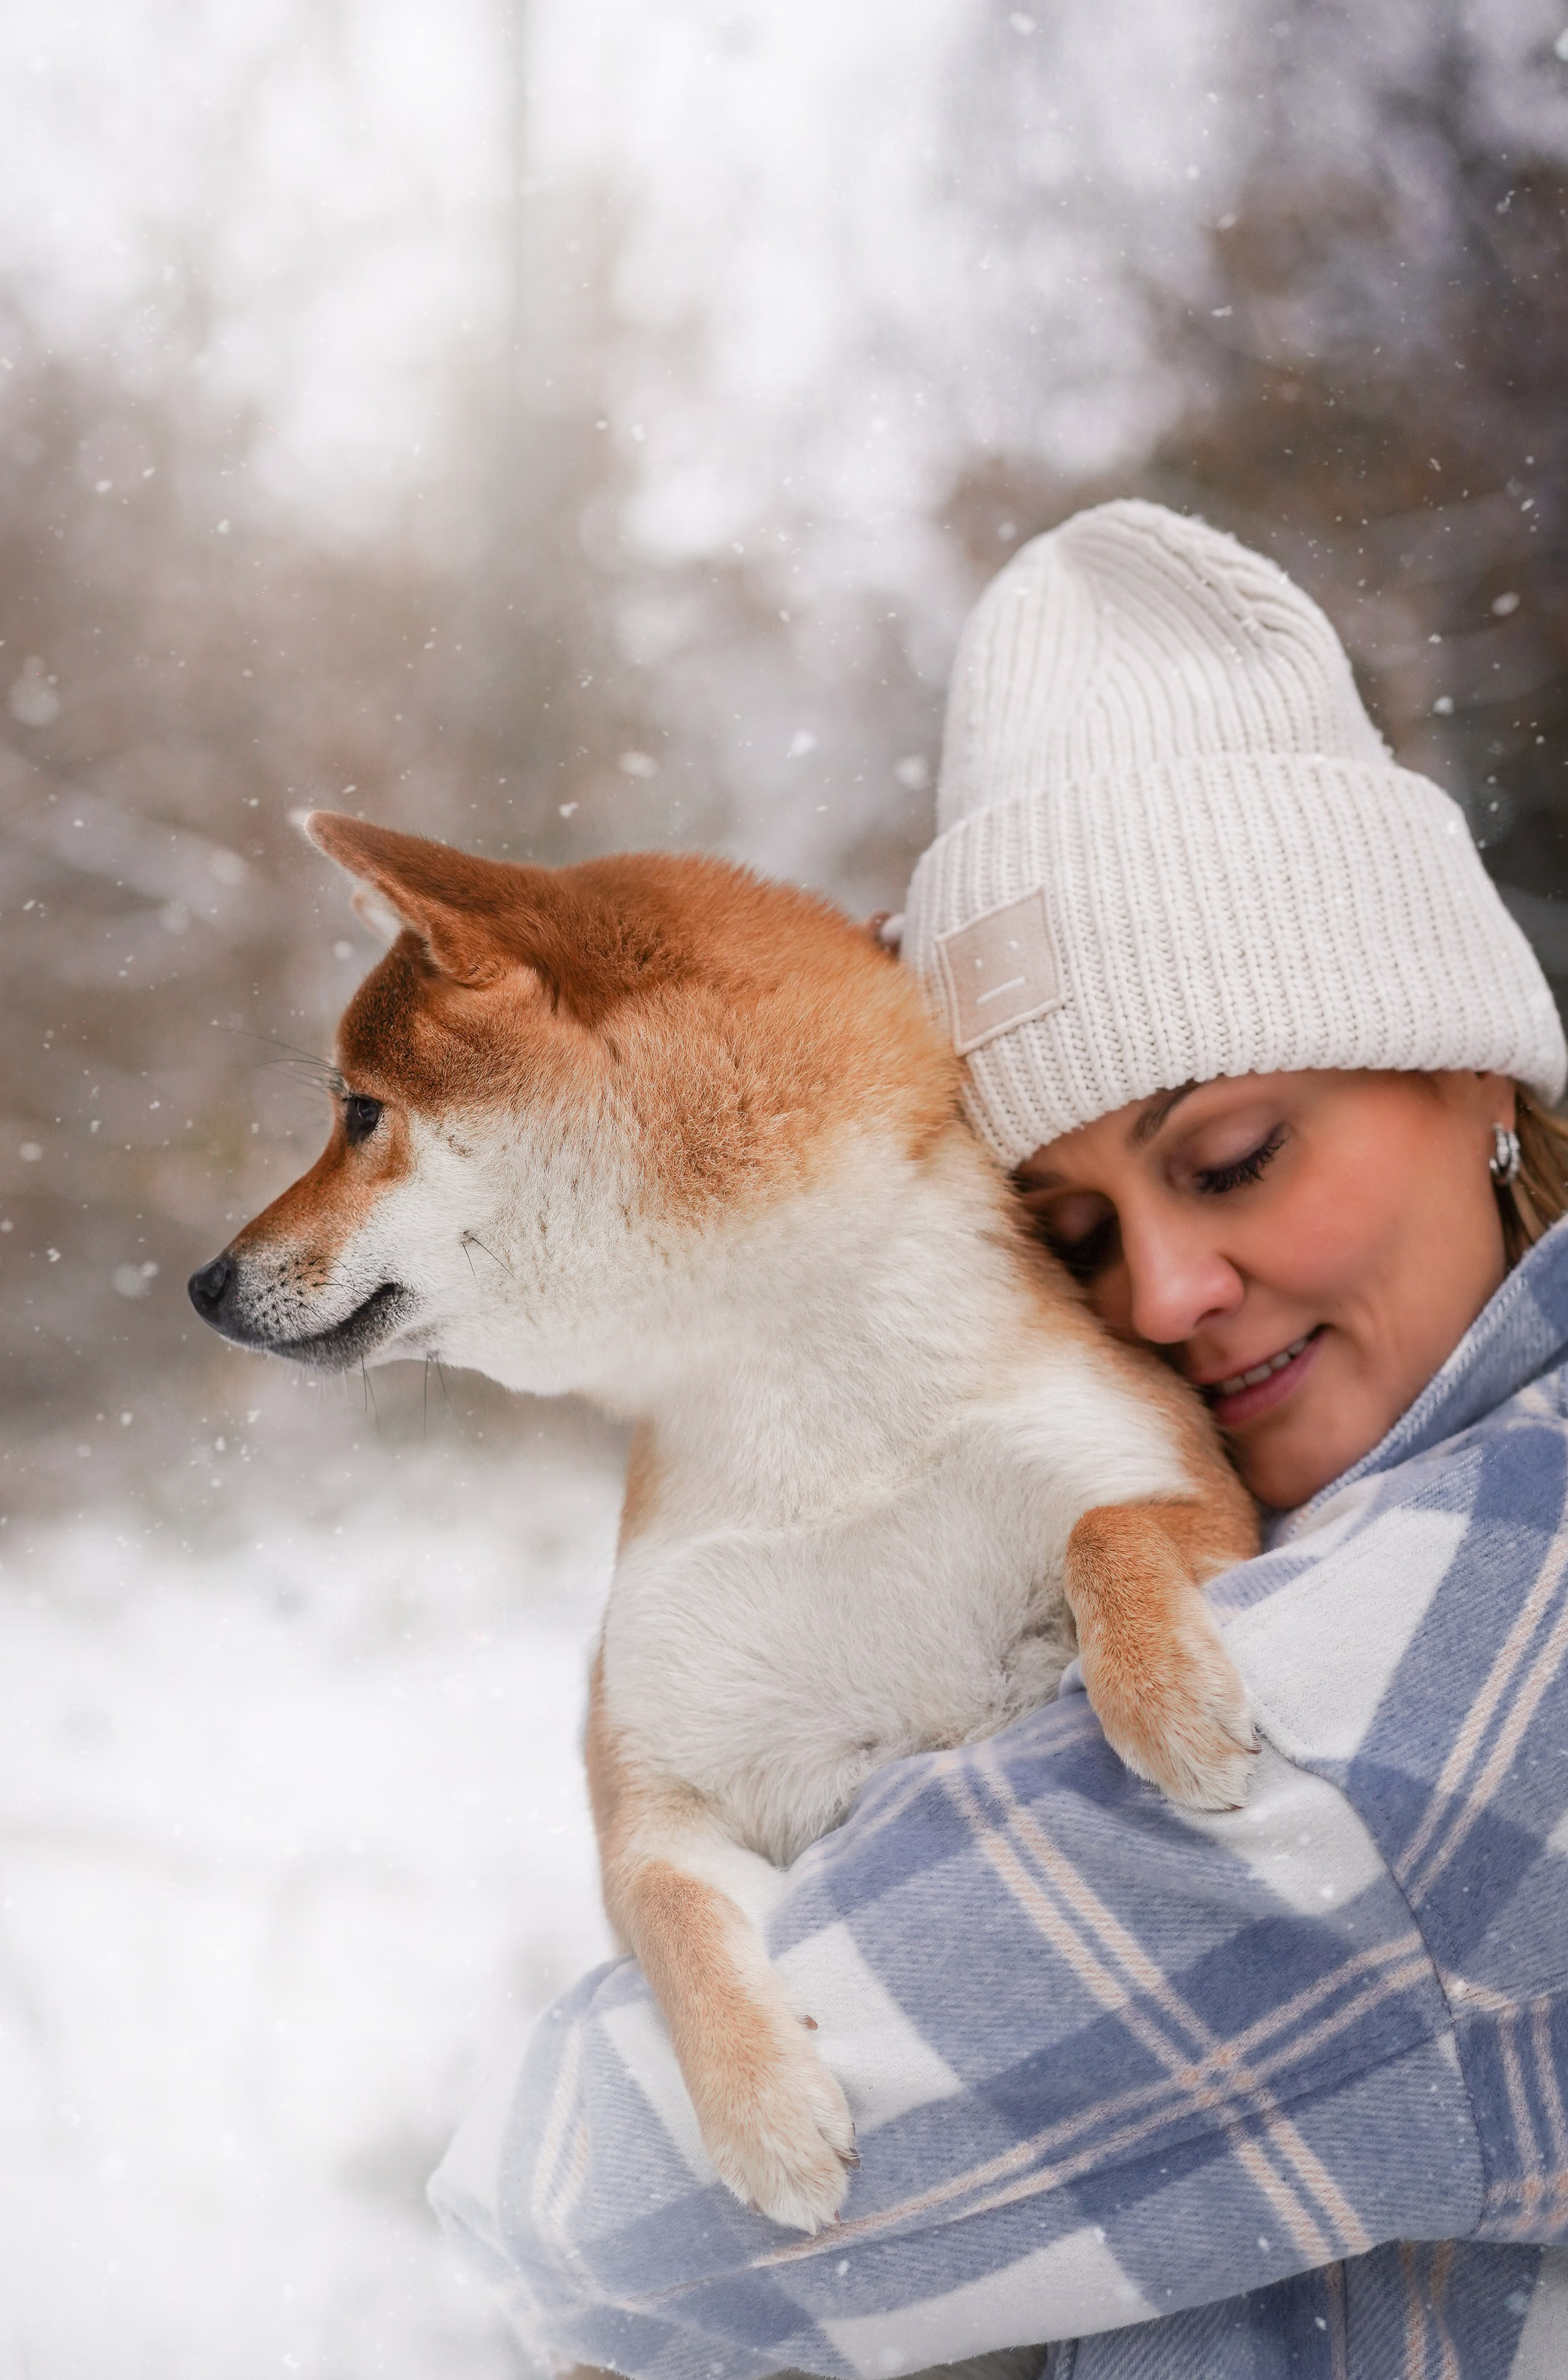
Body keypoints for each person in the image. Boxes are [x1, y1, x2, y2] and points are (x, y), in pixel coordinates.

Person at [430, 502, 1568, 2379]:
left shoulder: (1491, 1612)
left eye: (1234, 1157)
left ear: (1467, 1070)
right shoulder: (1347, 1532)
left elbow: (614, 2205)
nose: (1167, 1296)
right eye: (1073, 1233)